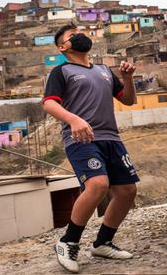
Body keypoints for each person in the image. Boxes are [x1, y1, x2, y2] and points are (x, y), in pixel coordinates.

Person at [43, 24, 139, 273]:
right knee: (98, 185)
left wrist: (128, 79)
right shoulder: (61, 71)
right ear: (62, 47)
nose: (80, 35)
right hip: (81, 139)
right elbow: (50, 105)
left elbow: (128, 100)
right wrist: (74, 119)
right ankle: (68, 242)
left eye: (81, 31)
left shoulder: (104, 70)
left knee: (127, 191)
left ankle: (103, 242)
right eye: (72, 34)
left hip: (112, 138)